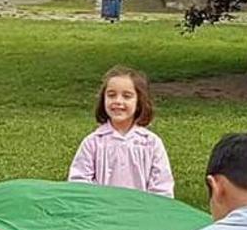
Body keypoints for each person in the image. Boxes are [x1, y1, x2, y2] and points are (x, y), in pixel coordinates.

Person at [68, 66, 174, 197]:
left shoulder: (151, 143)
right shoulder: (93, 143)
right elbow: (79, 183)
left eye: (127, 96)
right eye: (111, 95)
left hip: (141, 213)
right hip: (103, 213)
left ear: (139, 102)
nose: (118, 101)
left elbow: (162, 188)